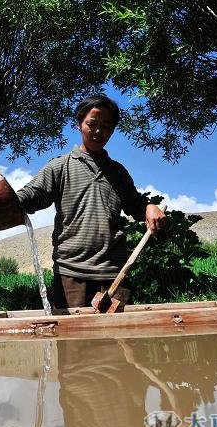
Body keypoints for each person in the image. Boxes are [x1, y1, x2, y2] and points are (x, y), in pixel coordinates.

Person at [16, 94, 167, 308]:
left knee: (119, 339)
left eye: (106, 126)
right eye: (92, 124)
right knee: (73, 340)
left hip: (114, 273)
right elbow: (32, 195)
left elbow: (135, 204)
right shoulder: (60, 166)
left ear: (113, 130)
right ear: (79, 124)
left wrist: (149, 207)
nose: (98, 131)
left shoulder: (118, 172)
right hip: (71, 275)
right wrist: (10, 201)